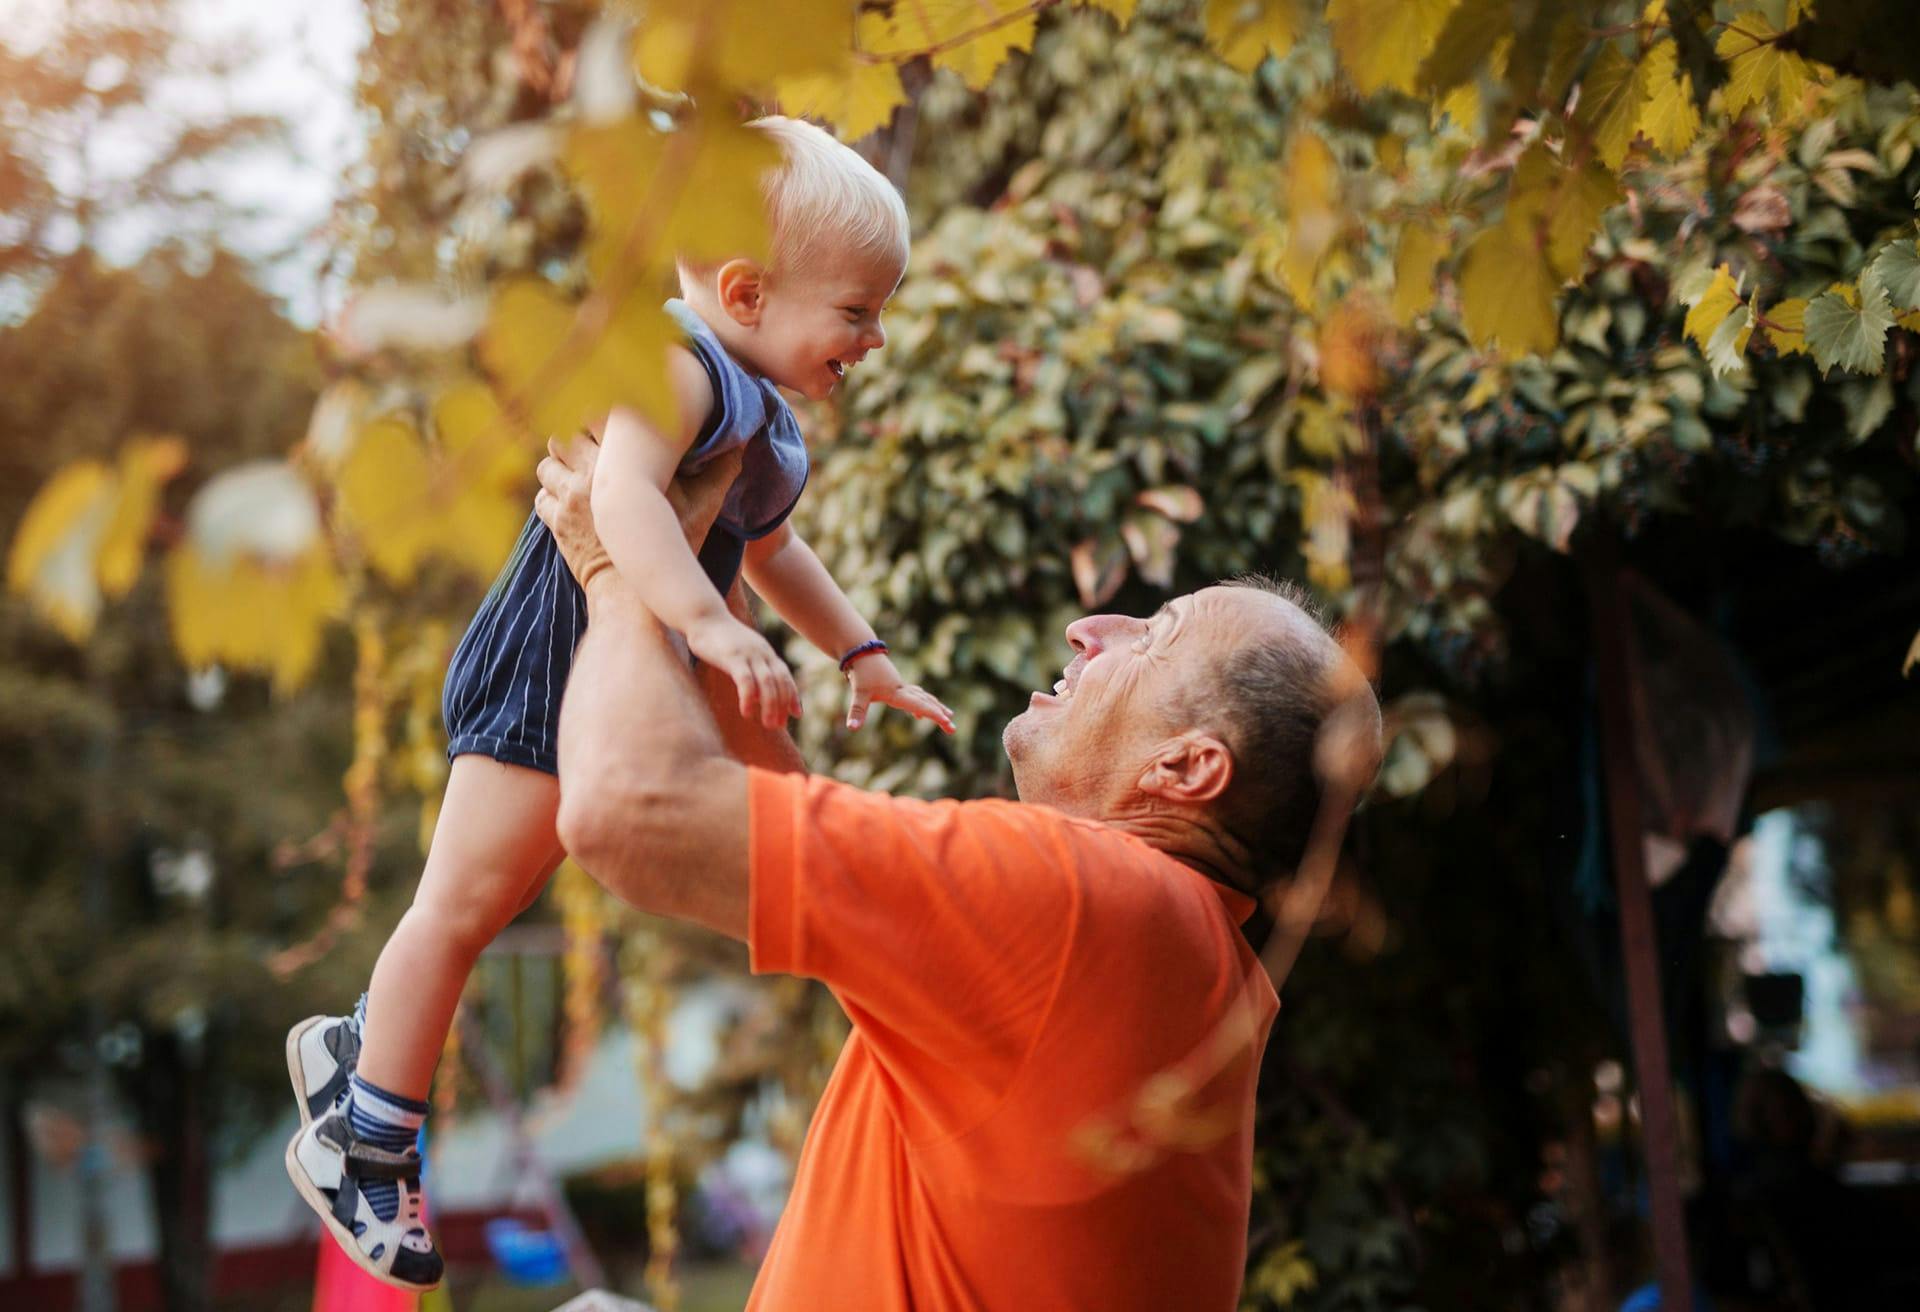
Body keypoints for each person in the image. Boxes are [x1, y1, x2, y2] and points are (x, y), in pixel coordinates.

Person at [283, 116, 952, 1291]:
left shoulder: (762, 409)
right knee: (464, 899)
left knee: (488, 896)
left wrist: (865, 655)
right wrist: (703, 623)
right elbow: (625, 501)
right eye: (857, 310)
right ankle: (363, 1141)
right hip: (550, 645)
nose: (874, 336)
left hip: (593, 656)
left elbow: (778, 553)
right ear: (747, 288)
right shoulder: (685, 367)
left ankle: (355, 1046)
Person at [531, 434, 1385, 1311]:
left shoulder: (1088, 904)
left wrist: (611, 573)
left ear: (1185, 769)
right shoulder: (1172, 949)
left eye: (1155, 635)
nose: (1089, 628)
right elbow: (765, 829)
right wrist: (700, 577)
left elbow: (629, 811)